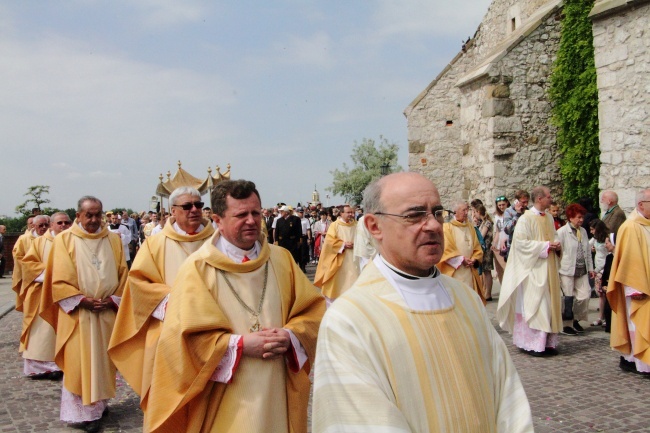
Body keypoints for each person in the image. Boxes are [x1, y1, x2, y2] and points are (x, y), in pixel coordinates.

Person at [312, 172, 533, 432]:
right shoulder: (350, 320)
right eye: (415, 215)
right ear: (374, 226)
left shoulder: (467, 299)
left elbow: (508, 398)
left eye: (437, 213)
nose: (433, 225)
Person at [143, 179, 325, 433]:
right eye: (241, 214)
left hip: (277, 386)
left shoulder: (281, 259)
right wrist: (239, 345)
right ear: (217, 219)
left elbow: (313, 312)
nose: (251, 220)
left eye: (255, 212)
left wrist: (291, 335)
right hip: (224, 393)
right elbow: (182, 339)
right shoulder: (198, 268)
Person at [108, 187, 215, 411]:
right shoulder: (155, 244)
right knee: (169, 396)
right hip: (169, 330)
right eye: (187, 206)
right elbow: (138, 284)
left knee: (211, 398)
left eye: (199, 205)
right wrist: (177, 302)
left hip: (215, 329)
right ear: (173, 211)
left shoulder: (219, 241)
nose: (194, 210)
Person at [40, 196, 128, 432]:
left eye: (98, 214)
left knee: (102, 362)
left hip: (107, 311)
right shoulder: (65, 240)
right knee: (80, 363)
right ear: (78, 215)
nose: (94, 219)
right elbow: (58, 278)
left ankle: (99, 405)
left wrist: (113, 299)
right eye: (88, 214)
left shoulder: (113, 240)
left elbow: (123, 273)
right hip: (78, 314)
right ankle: (83, 413)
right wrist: (81, 300)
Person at [497, 186, 563, 357]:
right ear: (540, 199)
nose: (551, 198)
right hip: (533, 270)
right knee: (538, 305)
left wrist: (556, 244)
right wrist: (547, 246)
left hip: (549, 268)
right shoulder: (526, 219)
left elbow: (554, 235)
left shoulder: (548, 217)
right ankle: (533, 343)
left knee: (550, 306)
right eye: (548, 196)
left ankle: (547, 343)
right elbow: (520, 244)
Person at [20, 213, 71, 380]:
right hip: (43, 293)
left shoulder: (74, 241)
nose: (63, 225)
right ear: (51, 225)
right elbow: (28, 265)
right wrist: (52, 273)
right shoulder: (40, 242)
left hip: (67, 293)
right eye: (59, 223)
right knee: (43, 333)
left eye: (67, 222)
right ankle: (42, 367)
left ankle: (64, 363)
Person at [607, 188, 650, 374]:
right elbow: (629, 262)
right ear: (641, 204)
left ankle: (631, 359)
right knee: (639, 324)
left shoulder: (645, 224)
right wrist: (635, 288)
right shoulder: (631, 227)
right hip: (638, 287)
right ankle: (640, 363)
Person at [557, 204, 594, 336]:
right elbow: (558, 252)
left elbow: (588, 251)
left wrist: (591, 268)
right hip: (567, 269)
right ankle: (566, 324)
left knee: (584, 295)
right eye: (578, 217)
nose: (581, 220)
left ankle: (575, 319)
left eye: (582, 217)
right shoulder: (561, 232)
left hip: (581, 269)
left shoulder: (583, 231)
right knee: (568, 297)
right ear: (570, 218)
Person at [439, 200, 485, 303]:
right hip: (454, 271)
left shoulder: (470, 227)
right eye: (464, 210)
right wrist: (460, 259)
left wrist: (474, 259)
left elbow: (477, 247)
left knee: (470, 299)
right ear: (455, 211)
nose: (466, 213)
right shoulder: (447, 227)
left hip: (469, 270)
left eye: (467, 210)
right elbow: (446, 248)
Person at [314, 204, 359, 304]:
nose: (351, 214)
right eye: (349, 212)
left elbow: (362, 239)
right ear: (341, 213)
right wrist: (342, 244)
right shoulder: (335, 225)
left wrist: (356, 243)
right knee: (336, 286)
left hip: (354, 259)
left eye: (352, 212)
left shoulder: (357, 225)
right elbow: (329, 242)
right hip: (338, 259)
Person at [11, 216, 37, 311]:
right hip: (28, 275)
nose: (33, 225)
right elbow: (17, 256)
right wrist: (31, 268)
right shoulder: (23, 238)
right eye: (31, 223)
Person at [589, 219, 610, 327]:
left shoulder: (607, 238)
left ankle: (607, 317)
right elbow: (587, 246)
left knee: (607, 294)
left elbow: (608, 256)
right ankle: (600, 317)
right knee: (601, 295)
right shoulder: (595, 239)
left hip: (604, 268)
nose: (591, 232)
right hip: (598, 268)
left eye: (593, 229)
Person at [503, 190, 530, 261]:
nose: (526, 204)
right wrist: (517, 215)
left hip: (526, 245)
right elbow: (507, 230)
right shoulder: (508, 211)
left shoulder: (528, 211)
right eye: (523, 202)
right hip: (513, 246)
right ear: (516, 201)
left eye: (527, 202)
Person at [475, 204, 495, 301]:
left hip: (487, 249)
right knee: (484, 271)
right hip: (484, 249)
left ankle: (488, 293)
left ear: (479, 212)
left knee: (487, 271)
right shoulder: (483, 222)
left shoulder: (487, 223)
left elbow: (482, 236)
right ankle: (485, 291)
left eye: (475, 213)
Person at [492, 195, 510, 283]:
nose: (501, 207)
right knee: (500, 269)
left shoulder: (511, 214)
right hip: (499, 243)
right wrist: (494, 243)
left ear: (507, 203)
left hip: (508, 242)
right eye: (499, 205)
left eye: (503, 204)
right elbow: (498, 231)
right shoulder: (497, 216)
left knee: (506, 267)